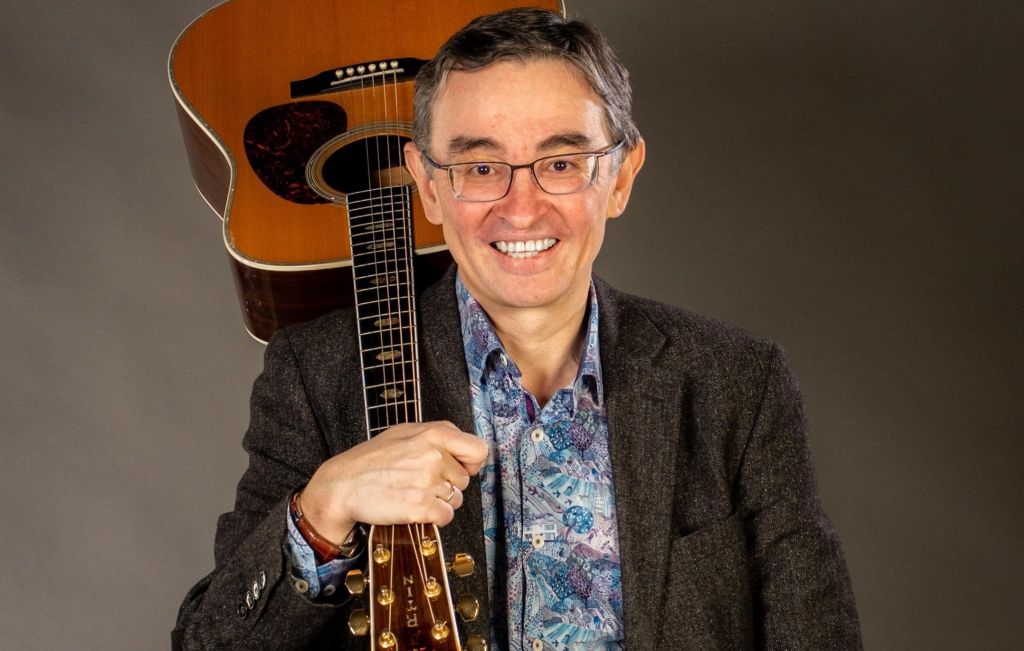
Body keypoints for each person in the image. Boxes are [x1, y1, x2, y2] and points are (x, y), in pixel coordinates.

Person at [173, 8, 860, 650]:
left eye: (560, 163)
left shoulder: (737, 383)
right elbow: (206, 639)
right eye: (480, 167)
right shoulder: (318, 375)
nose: (521, 208)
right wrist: (321, 512)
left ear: (620, 177)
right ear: (428, 185)